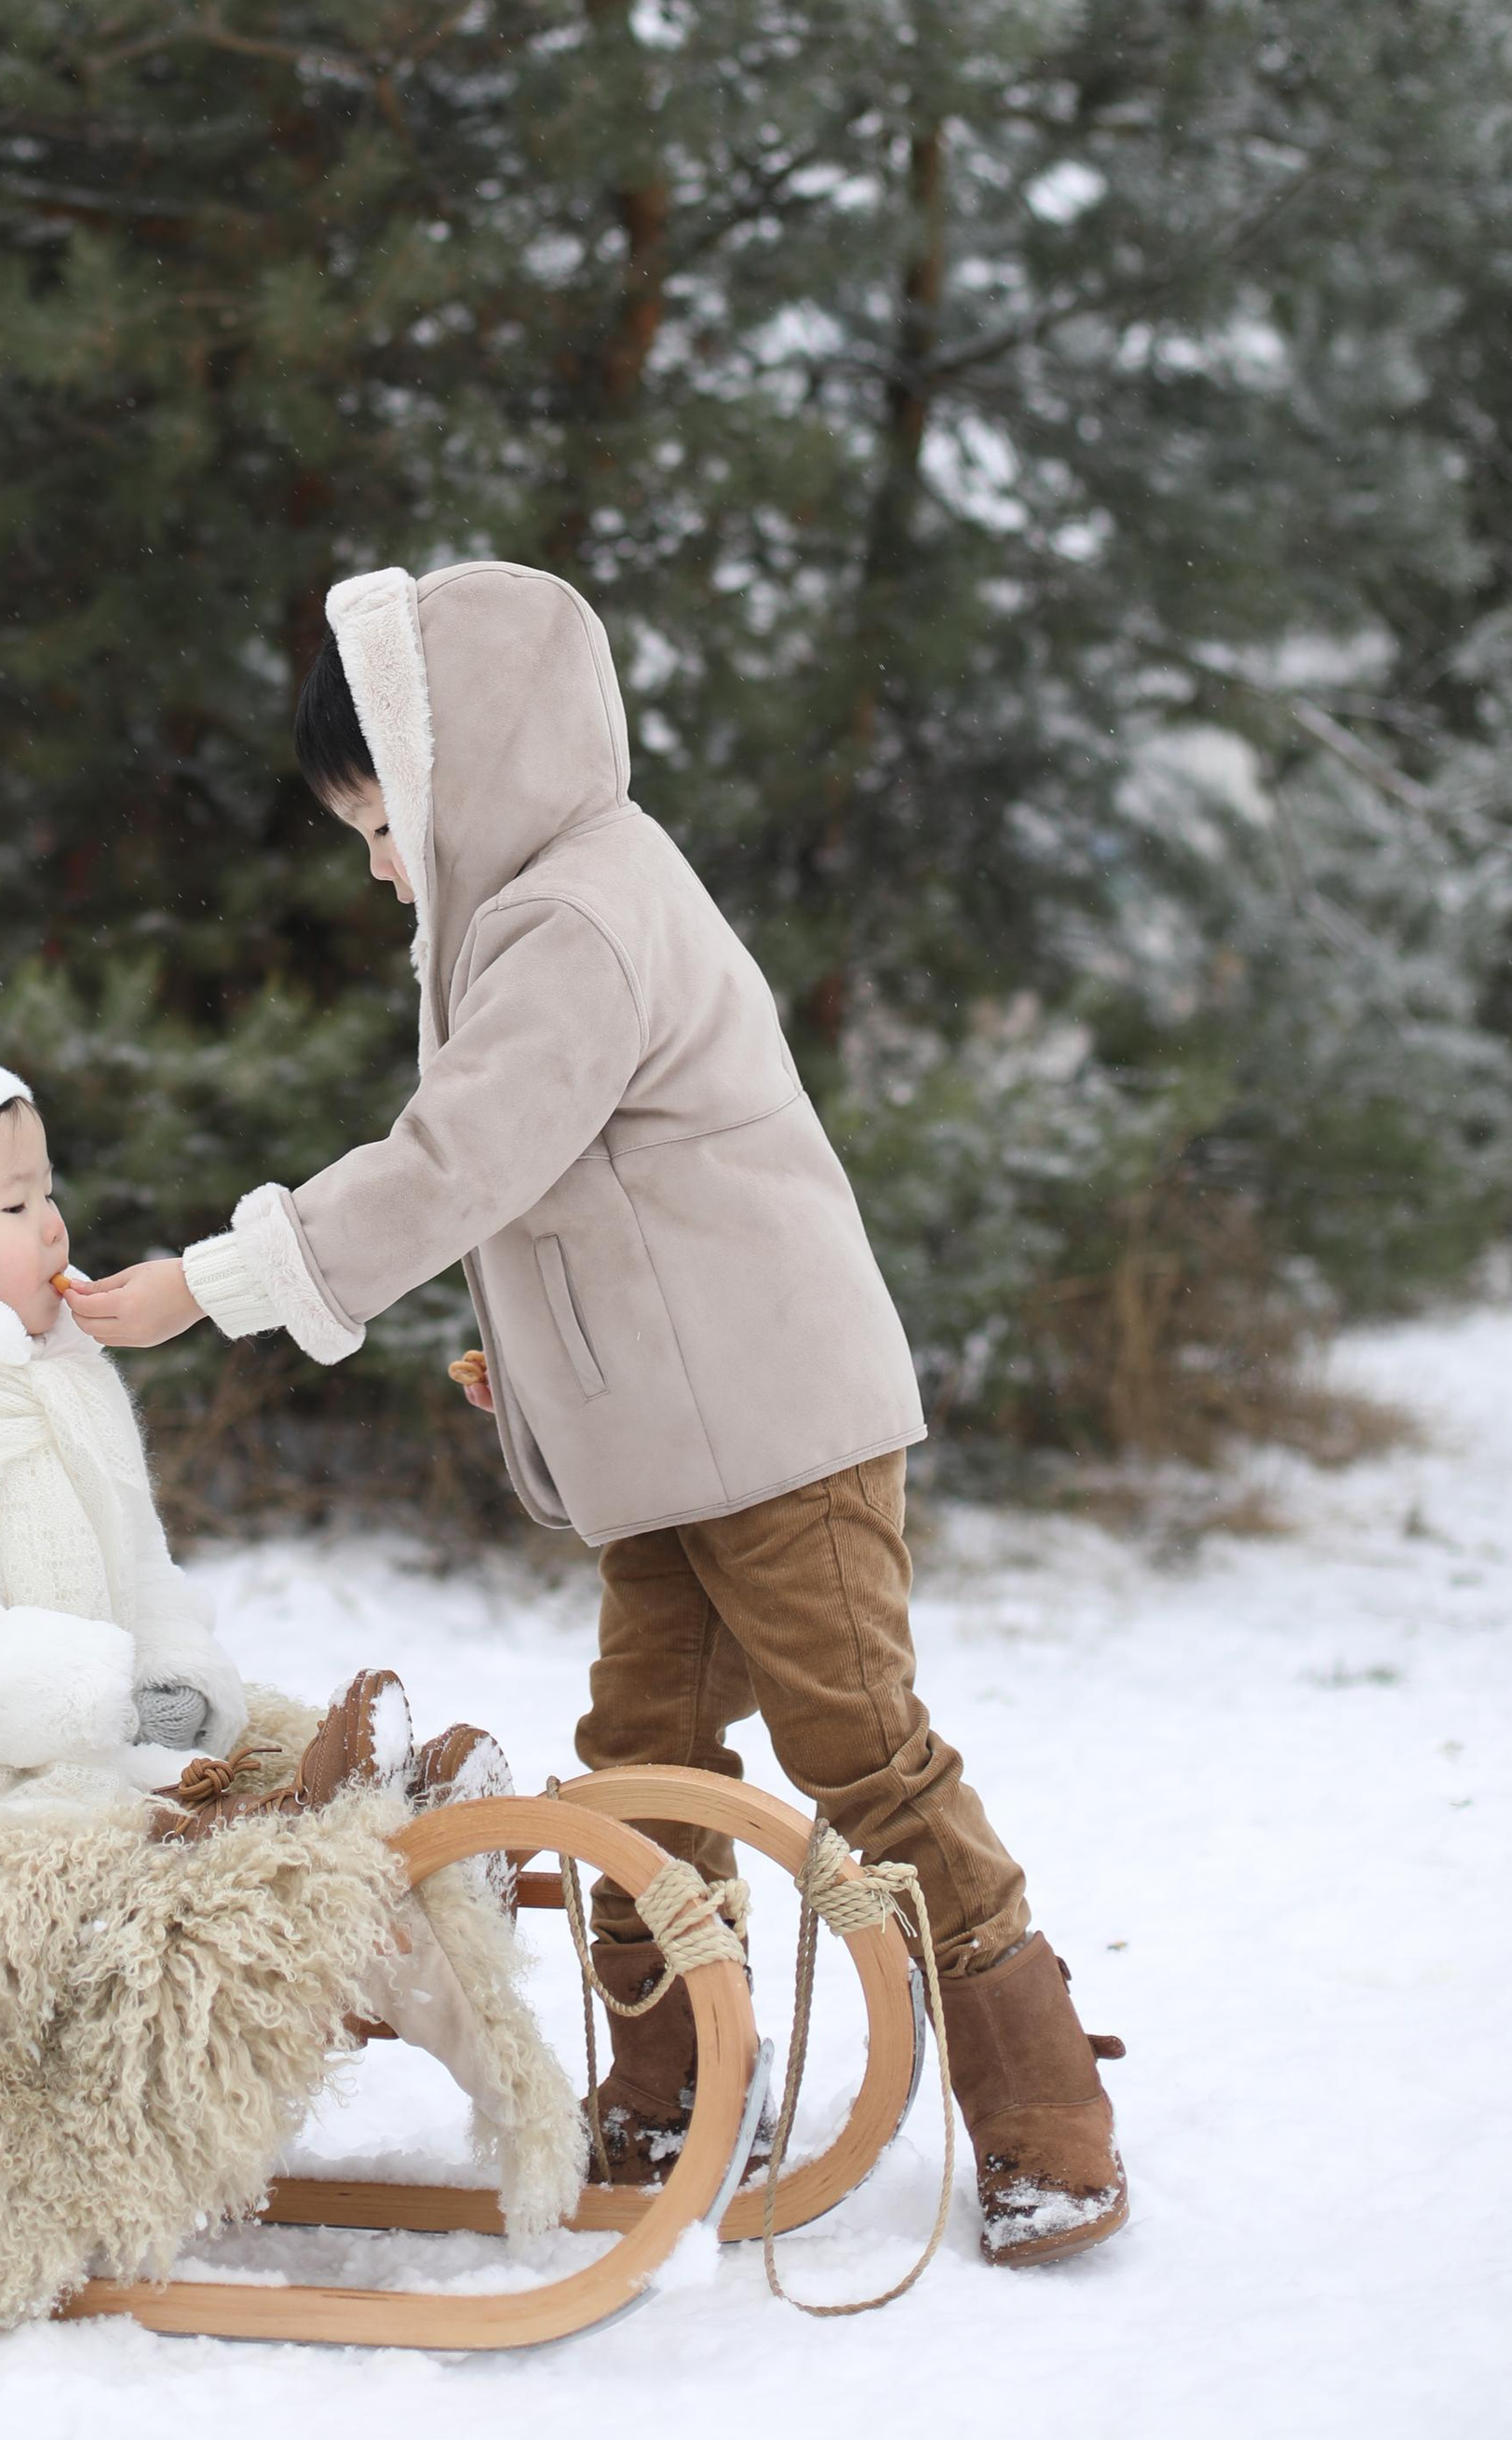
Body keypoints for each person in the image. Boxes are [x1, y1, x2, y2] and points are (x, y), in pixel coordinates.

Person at [69, 561, 1128, 2265]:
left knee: (860, 1748)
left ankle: (1042, 2102)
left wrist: (219, 1278)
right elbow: (592, 1191)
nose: (380, 865)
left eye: (383, 823)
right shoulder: (549, 902)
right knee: (643, 1753)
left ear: (464, 772)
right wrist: (547, 1353)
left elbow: (460, 1162)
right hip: (680, 1440)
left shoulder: (575, 916)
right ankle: (682, 2075)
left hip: (777, 1427)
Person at [0, 961, 505, 1833]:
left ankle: (392, 1818)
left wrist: (171, 1678)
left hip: (105, 1749)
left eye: (49, 1190)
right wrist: (71, 1693)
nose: (53, 1225)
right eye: (13, 1206)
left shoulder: (63, 1376)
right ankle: (342, 1822)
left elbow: (137, 1560)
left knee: (230, 1804)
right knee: (188, 1853)